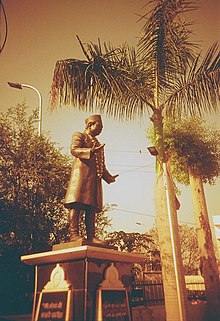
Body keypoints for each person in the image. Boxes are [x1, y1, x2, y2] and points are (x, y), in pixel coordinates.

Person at [64, 115, 118, 244]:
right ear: (90, 125)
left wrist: (108, 177)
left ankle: (91, 236)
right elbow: (74, 150)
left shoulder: (98, 144)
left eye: (102, 127)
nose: (101, 130)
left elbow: (101, 164)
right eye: (99, 126)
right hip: (81, 176)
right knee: (76, 204)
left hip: (94, 180)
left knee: (91, 208)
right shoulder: (79, 135)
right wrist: (91, 151)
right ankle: (74, 235)